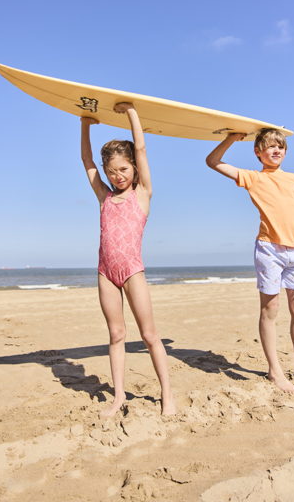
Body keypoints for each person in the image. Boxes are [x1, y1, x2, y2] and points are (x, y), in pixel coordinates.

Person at [206, 128, 294, 394]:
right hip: (269, 250)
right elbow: (212, 161)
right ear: (258, 153)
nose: (276, 150)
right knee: (270, 310)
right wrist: (231, 138)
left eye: (280, 146)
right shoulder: (253, 178)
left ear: (285, 151)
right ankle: (274, 370)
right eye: (270, 146)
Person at [80, 103, 176, 416]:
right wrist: (85, 124)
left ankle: (167, 394)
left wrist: (132, 113)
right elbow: (87, 160)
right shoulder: (104, 196)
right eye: (111, 171)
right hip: (105, 273)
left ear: (133, 167)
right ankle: (118, 396)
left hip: (133, 271)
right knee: (116, 335)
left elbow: (143, 150)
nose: (117, 175)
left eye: (123, 169)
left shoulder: (142, 194)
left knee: (149, 335)